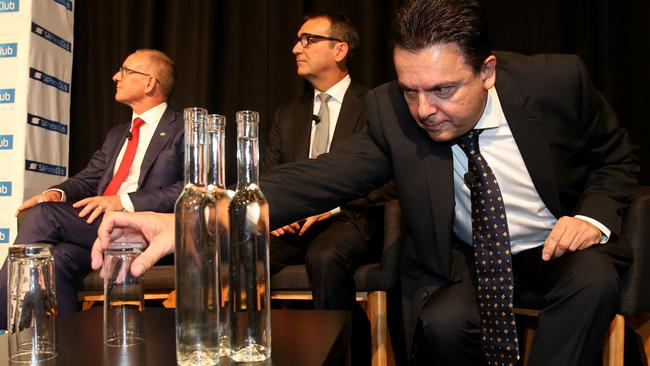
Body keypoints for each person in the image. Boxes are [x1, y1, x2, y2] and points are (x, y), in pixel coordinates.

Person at [91, 1, 639, 364]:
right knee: (444, 325)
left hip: (562, 245)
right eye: (410, 90)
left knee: (593, 282)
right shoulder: (392, 111)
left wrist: (591, 216)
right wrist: (196, 216)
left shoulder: (555, 81)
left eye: (444, 90)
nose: (424, 110)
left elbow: (617, 157)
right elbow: (320, 177)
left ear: (488, 71)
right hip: (475, 261)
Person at [0, 49, 184, 329]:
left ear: (149, 83)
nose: (115, 77)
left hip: (145, 231)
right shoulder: (117, 134)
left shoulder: (184, 127)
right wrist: (56, 193)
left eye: (125, 71)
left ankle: (4, 321)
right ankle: (65, 350)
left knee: (44, 216)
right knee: (56, 259)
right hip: (98, 233)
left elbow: (192, 188)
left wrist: (123, 201)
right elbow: (87, 179)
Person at [263, 11, 388, 310]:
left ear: (340, 49)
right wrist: (276, 211)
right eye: (297, 41)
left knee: (325, 256)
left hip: (349, 217)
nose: (296, 48)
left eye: (308, 40)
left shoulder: (374, 106)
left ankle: (338, 352)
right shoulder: (288, 113)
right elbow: (271, 172)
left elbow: (390, 178)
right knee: (239, 252)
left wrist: (330, 207)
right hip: (291, 223)